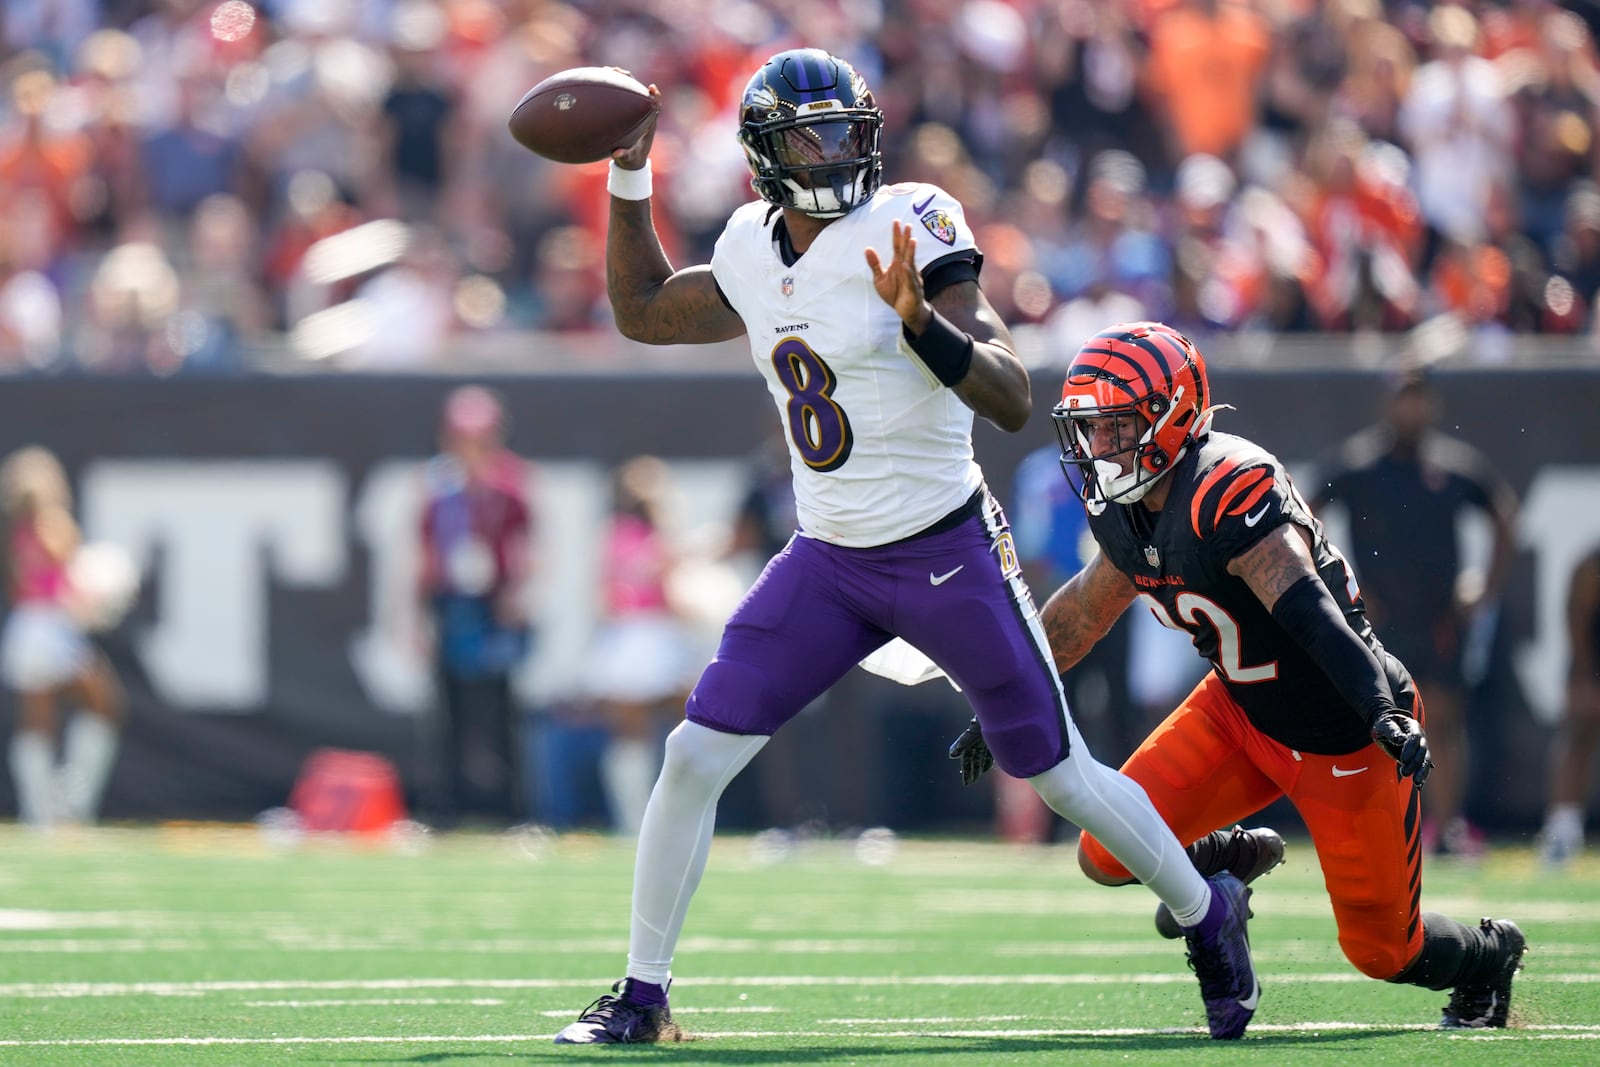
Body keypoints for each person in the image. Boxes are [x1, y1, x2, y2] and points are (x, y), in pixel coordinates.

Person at [552, 49, 1259, 1045]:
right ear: (764, 153)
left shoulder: (910, 222)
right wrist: (627, 174)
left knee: (1058, 775)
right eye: (810, 134)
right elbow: (640, 309)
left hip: (945, 550)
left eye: (845, 128)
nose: (835, 149)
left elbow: (1011, 396)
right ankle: (643, 992)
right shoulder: (753, 247)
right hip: (829, 559)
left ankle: (1203, 905)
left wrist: (920, 322)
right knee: (693, 752)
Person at [949, 322, 1528, 1030]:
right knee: (1105, 848)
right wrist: (1005, 697)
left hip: (1343, 729)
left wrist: (1380, 706)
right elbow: (1085, 608)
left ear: (1171, 415)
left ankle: (1487, 955)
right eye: (1092, 429)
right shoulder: (1129, 508)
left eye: (1118, 425)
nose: (1100, 447)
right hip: (1239, 712)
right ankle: (1227, 859)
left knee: (1383, 950)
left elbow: (1309, 608)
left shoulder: (1227, 484)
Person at [1310, 368, 1519, 857]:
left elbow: (1505, 517)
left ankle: (1446, 828)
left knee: (1444, 717)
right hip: (1378, 619)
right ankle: (1381, 825)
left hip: (1439, 617)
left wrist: (1484, 589)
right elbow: (1302, 514)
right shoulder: (1359, 466)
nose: (1411, 409)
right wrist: (1341, 588)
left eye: (1419, 399)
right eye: (1403, 398)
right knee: (1379, 720)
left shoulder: (1451, 467)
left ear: (1432, 405)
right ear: (1388, 403)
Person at [415, 386, 534, 827]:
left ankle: (510, 807)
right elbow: (422, 554)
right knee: (448, 710)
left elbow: (530, 547)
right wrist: (413, 618)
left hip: (495, 608)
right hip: (451, 605)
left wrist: (519, 595)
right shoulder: (437, 486)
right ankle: (444, 806)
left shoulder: (512, 484)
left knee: (502, 709)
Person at [1, 446, 124, 828]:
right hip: (50, 631)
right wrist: (104, 597)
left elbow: (24, 588)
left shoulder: (15, 534)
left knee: (39, 720)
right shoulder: (54, 524)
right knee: (104, 706)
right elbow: (71, 587)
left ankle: (45, 811)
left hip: (26, 630)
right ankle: (70, 803)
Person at [585, 455, 694, 836]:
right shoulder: (629, 537)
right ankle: (637, 818)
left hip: (652, 637)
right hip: (641, 637)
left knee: (672, 726)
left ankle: (657, 818)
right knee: (636, 732)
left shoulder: (642, 537)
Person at [1537, 544, 1600, 866]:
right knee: (1578, 736)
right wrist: (1584, 674)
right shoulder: (1592, 564)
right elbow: (1578, 613)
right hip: (1592, 660)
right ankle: (1561, 833)